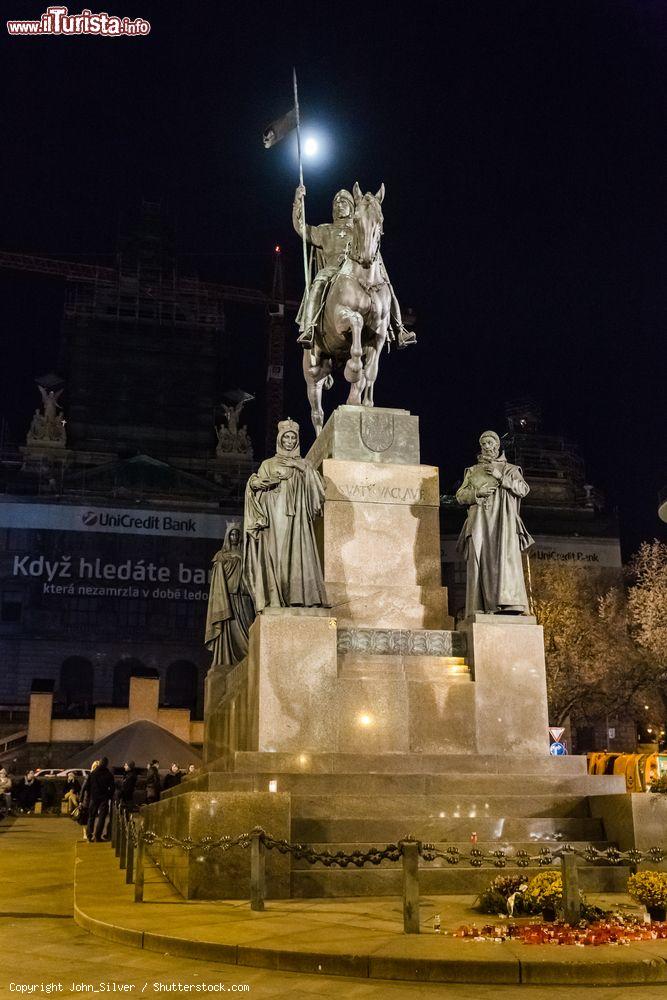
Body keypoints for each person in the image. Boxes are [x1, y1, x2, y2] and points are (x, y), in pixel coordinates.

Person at [293, 183, 416, 352]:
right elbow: (301, 228)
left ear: (351, 207)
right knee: (319, 282)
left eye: (343, 202)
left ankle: (399, 328)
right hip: (333, 269)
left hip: (358, 269)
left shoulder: (359, 226)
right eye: (336, 203)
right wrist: (298, 201)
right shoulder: (325, 230)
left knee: (387, 286)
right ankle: (308, 328)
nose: (339, 205)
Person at [243, 418, 328, 611]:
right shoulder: (268, 464)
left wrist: (299, 467)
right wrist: (259, 483)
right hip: (274, 515)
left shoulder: (304, 464)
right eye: (286, 437)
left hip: (296, 517)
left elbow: (319, 487)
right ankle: (275, 597)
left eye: (292, 438)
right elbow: (255, 486)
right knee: (275, 553)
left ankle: (297, 596)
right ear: (280, 439)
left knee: (297, 554)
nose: (289, 441)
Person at [456, 430, 534, 617]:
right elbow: (460, 496)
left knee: (504, 562)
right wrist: (476, 494)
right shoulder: (473, 471)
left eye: (490, 443)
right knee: (481, 562)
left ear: (497, 446)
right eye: (483, 443)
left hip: (503, 525)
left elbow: (523, 489)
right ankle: (482, 606)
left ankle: (507, 604)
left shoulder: (510, 469)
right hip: (480, 524)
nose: (486, 446)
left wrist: (501, 477)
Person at [205, 522, 255, 666]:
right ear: (228, 536)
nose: (235, 537)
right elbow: (217, 579)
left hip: (243, 598)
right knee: (228, 632)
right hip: (227, 600)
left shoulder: (245, 554)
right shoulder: (220, 556)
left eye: (237, 534)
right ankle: (226, 660)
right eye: (232, 534)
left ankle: (247, 658)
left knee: (247, 630)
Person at [85, 756, 115, 842]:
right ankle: (98, 836)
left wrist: (90, 795)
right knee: (102, 817)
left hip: (94, 798)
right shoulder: (108, 774)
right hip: (104, 798)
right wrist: (108, 795)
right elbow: (112, 788)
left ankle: (89, 835)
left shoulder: (93, 773)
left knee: (91, 816)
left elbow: (87, 786)